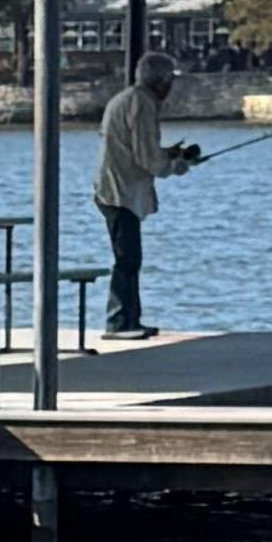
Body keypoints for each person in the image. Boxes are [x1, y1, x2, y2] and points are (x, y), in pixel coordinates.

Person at [90, 52, 200, 336]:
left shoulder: (129, 98)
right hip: (119, 191)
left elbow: (138, 149)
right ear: (160, 80)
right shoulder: (142, 103)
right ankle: (117, 322)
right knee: (127, 258)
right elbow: (148, 159)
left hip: (117, 188)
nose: (171, 87)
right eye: (169, 80)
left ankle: (130, 320)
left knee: (130, 258)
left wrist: (171, 153)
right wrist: (178, 165)